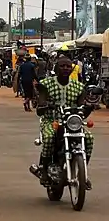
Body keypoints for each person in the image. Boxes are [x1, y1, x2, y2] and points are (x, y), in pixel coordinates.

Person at [37, 56, 94, 189]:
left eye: (68, 66)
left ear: (72, 69)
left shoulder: (79, 87)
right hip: (52, 121)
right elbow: (40, 108)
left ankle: (82, 174)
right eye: (62, 66)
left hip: (72, 124)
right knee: (50, 137)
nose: (65, 68)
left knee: (89, 138)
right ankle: (44, 170)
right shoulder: (45, 84)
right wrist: (44, 106)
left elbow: (82, 112)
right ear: (56, 68)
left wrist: (89, 107)